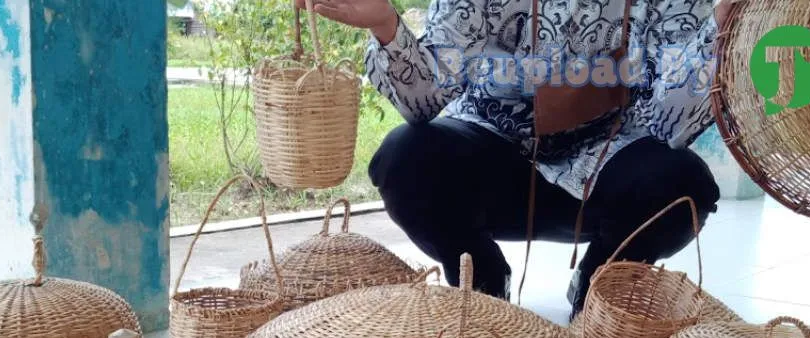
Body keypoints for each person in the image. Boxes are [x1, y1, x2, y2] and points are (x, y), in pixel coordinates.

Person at [304, 0, 738, 317]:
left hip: (608, 163)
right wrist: (385, 25)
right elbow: (425, 101)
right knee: (405, 158)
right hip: (492, 149)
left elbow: (672, 123)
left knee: (683, 186)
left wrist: (717, 28)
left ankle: (601, 288)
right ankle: (483, 278)